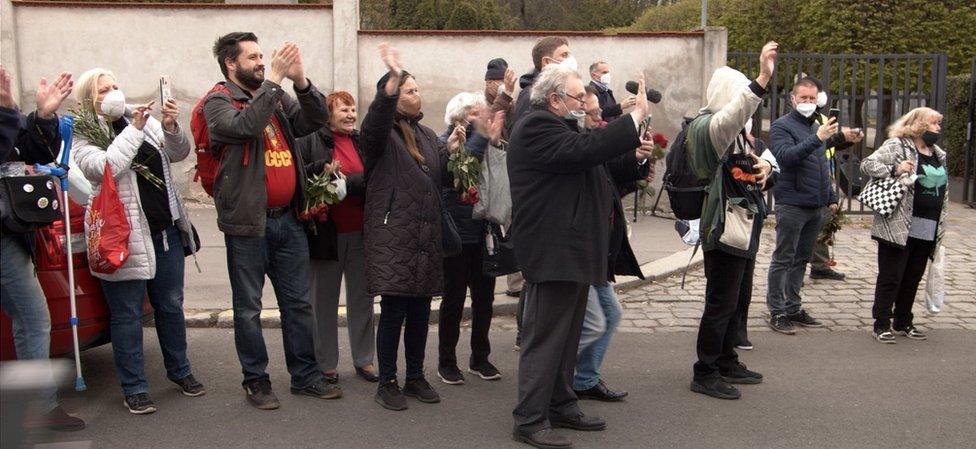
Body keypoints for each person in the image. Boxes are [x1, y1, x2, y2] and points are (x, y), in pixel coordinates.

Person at [508, 62, 651, 449]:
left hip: (572, 250)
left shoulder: (562, 128)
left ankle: (561, 403)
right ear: (554, 99)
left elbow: (597, 162)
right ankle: (530, 419)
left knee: (568, 337)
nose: (586, 101)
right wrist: (632, 118)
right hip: (552, 250)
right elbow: (584, 150)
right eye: (578, 95)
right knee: (546, 339)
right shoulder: (536, 126)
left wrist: (635, 147)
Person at [204, 32, 337, 410]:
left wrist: (301, 81)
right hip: (248, 225)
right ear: (232, 63)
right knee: (248, 308)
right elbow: (244, 128)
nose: (263, 63)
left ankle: (306, 377)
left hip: (288, 222)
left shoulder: (275, 97)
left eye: (264, 57)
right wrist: (275, 82)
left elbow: (314, 121)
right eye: (254, 57)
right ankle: (256, 381)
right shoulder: (218, 100)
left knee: (298, 304)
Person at [73, 68, 204, 414]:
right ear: (90, 100)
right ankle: (134, 387)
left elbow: (177, 154)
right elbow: (106, 167)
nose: (114, 92)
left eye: (115, 85)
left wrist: (172, 127)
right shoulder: (84, 135)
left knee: (171, 306)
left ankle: (180, 371)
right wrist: (133, 129)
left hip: (165, 232)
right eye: (104, 90)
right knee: (128, 315)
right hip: (122, 238)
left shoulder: (140, 120)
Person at [360, 44, 464, 411]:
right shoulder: (379, 136)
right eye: (410, 90)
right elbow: (373, 122)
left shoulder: (426, 135)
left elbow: (438, 182)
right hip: (394, 237)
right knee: (394, 312)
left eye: (417, 89)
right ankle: (387, 381)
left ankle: (415, 376)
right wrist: (390, 82)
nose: (417, 94)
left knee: (421, 311)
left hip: (424, 237)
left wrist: (449, 150)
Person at [686, 42, 779, 400]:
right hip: (722, 224)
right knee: (720, 300)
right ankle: (704, 371)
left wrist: (766, 168)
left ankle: (726, 359)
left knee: (735, 297)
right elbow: (733, 115)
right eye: (738, 91)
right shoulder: (708, 126)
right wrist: (761, 79)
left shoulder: (734, 132)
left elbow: (751, 163)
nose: (744, 99)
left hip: (741, 220)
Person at [0, 66, 85, 430]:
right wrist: (8, 111)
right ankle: (41, 408)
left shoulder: (6, 118)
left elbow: (31, 153)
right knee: (34, 318)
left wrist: (43, 116)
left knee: (26, 318)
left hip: (12, 234)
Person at [766, 77, 862, 335]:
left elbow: (821, 164)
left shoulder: (818, 126)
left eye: (812, 98)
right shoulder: (781, 126)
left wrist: (830, 198)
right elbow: (786, 157)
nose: (808, 102)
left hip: (815, 204)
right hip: (791, 202)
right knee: (783, 258)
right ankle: (777, 311)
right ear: (793, 99)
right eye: (803, 98)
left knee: (801, 259)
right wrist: (818, 137)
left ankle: (793, 306)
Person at [571, 87, 649, 402]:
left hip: (598, 252)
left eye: (599, 112)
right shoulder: (577, 145)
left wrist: (636, 158)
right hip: (580, 253)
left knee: (610, 315)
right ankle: (548, 374)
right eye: (592, 113)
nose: (598, 118)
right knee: (592, 323)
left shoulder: (592, 144)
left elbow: (614, 177)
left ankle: (585, 379)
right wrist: (635, 116)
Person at [296, 91, 378, 384]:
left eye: (353, 109)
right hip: (326, 234)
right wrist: (321, 171)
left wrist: (349, 184)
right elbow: (300, 176)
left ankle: (365, 359)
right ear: (328, 114)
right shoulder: (309, 140)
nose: (351, 115)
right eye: (343, 109)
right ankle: (326, 363)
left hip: (360, 232)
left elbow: (374, 176)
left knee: (362, 299)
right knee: (323, 302)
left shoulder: (360, 141)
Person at [860, 107, 947, 344]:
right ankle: (881, 324)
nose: (938, 128)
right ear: (919, 124)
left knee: (913, 276)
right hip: (897, 224)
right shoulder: (898, 146)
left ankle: (903, 321)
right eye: (934, 123)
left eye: (939, 124)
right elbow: (867, 165)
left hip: (927, 225)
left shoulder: (938, 153)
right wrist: (894, 169)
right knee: (891, 275)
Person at [436, 92, 504, 385]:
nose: (484, 119)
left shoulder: (484, 139)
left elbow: (499, 173)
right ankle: (446, 361)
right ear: (461, 118)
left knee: (484, 300)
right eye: (478, 114)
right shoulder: (445, 143)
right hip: (457, 235)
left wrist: (497, 141)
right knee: (452, 301)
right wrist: (481, 136)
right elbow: (465, 167)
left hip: (484, 231)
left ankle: (480, 357)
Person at [511, 36, 575, 348]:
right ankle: (530, 338)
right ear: (546, 63)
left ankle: (532, 338)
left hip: (550, 214)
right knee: (537, 281)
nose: (570, 59)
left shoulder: (550, 99)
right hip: (541, 213)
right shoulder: (532, 101)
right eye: (564, 55)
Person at [806, 78, 857, 281]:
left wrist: (846, 139)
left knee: (824, 221)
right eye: (809, 95)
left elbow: (828, 146)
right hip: (810, 178)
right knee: (807, 225)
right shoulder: (806, 120)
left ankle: (820, 265)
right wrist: (841, 137)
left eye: (816, 94)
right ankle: (796, 271)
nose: (816, 98)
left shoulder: (822, 117)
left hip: (825, 176)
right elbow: (815, 144)